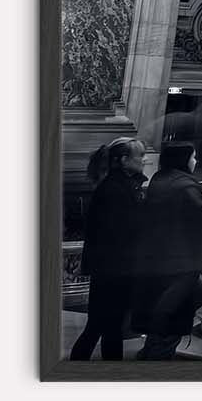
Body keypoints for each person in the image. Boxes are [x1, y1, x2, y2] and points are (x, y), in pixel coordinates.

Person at [135, 140, 202, 359]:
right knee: (169, 328)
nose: (196, 161)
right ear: (184, 159)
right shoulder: (186, 187)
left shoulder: (159, 180)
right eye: (193, 156)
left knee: (158, 324)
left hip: (156, 264)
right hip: (180, 266)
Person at [69, 137, 145, 359]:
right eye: (139, 155)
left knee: (106, 327)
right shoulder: (115, 190)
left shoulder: (117, 186)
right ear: (123, 160)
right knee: (100, 327)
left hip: (110, 270)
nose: (144, 159)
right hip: (113, 271)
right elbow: (121, 233)